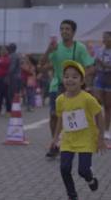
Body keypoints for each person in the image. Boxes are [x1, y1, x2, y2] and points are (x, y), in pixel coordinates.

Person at [50, 60, 106, 200]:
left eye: (75, 77)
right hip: (68, 139)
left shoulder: (87, 99)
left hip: (86, 139)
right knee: (64, 168)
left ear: (82, 81)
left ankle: (91, 179)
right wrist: (55, 137)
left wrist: (101, 138)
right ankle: (72, 195)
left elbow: (99, 114)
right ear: (63, 79)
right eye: (67, 76)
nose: (70, 80)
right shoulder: (60, 100)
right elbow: (61, 119)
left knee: (83, 170)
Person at [40, 20, 95, 158]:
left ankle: (74, 144)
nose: (64, 31)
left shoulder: (80, 48)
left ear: (73, 32)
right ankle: (55, 144)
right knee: (53, 115)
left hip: (74, 88)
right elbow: (41, 64)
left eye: (67, 29)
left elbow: (91, 67)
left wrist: (78, 79)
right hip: (57, 85)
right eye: (62, 29)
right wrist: (48, 49)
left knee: (71, 117)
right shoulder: (56, 47)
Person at [93, 31, 111, 140]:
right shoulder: (99, 50)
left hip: (110, 80)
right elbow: (95, 63)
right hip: (100, 79)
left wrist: (103, 64)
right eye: (103, 37)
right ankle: (98, 129)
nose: (104, 40)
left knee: (108, 106)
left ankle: (106, 130)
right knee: (96, 104)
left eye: (106, 38)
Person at [7, 43, 22, 111]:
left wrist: (6, 74)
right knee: (16, 93)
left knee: (11, 93)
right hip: (18, 77)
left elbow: (11, 68)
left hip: (13, 77)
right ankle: (16, 107)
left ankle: (13, 108)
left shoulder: (12, 56)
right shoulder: (17, 55)